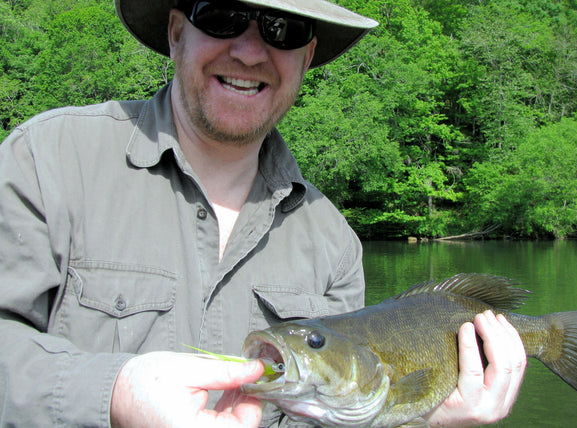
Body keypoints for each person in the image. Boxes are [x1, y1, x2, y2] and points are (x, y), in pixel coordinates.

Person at [0, 0, 526, 426]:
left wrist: (422, 421)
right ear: (177, 32)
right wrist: (112, 393)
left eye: (283, 27)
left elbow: (349, 403)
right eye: (222, 15)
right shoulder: (44, 161)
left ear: (307, 53)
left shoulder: (335, 244)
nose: (251, 51)